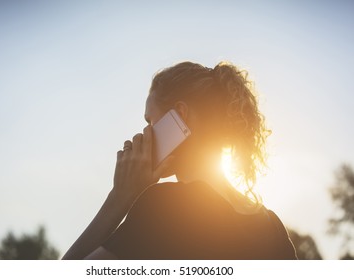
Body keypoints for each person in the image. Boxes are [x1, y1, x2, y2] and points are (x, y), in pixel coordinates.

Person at [62, 61, 297, 260]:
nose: (143, 133)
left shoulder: (168, 206)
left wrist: (120, 198)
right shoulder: (271, 226)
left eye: (150, 121)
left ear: (180, 116)